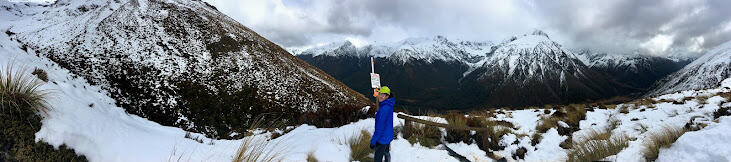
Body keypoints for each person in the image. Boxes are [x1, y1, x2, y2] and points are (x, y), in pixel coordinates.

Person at [370, 86, 394, 162]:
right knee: (386, 152)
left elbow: (379, 129)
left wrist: (373, 141)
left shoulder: (383, 109)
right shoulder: (389, 105)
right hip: (388, 135)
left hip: (382, 138)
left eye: (383, 95)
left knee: (378, 158)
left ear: (387, 96)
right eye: (380, 93)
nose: (380, 96)